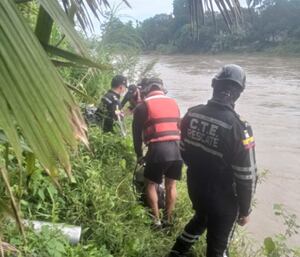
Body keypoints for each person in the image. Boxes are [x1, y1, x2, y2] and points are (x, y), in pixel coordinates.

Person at [168, 64, 258, 257]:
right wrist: (245, 209)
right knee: (218, 247)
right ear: (239, 93)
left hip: (196, 187)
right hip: (223, 198)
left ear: (213, 85)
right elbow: (246, 176)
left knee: (201, 218)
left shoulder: (191, 114)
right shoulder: (240, 128)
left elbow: (183, 151)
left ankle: (177, 251)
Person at [132, 77, 183, 227]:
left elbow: (136, 135)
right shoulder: (174, 102)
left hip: (158, 150)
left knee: (150, 184)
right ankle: (168, 219)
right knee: (171, 185)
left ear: (146, 90)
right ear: (162, 89)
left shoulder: (143, 106)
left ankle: (156, 221)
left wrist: (139, 154)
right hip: (177, 149)